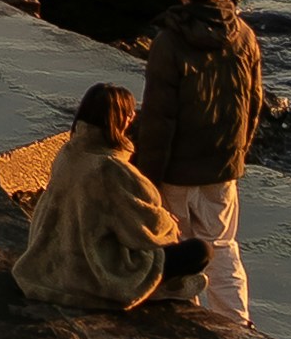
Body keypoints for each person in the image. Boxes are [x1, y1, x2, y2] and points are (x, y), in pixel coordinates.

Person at [139, 0, 268, 332]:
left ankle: (187, 322)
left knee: (175, 248)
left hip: (175, 170)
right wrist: (238, 151)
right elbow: (254, 102)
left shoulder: (169, 43)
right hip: (222, 166)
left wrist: (148, 175)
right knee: (224, 248)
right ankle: (237, 325)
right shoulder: (243, 35)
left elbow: (160, 118)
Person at [10, 84, 186, 316]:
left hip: (55, 264)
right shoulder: (109, 169)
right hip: (92, 275)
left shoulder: (68, 152)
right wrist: (170, 223)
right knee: (199, 252)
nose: (133, 117)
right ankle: (150, 292)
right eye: (129, 112)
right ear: (116, 118)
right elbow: (144, 230)